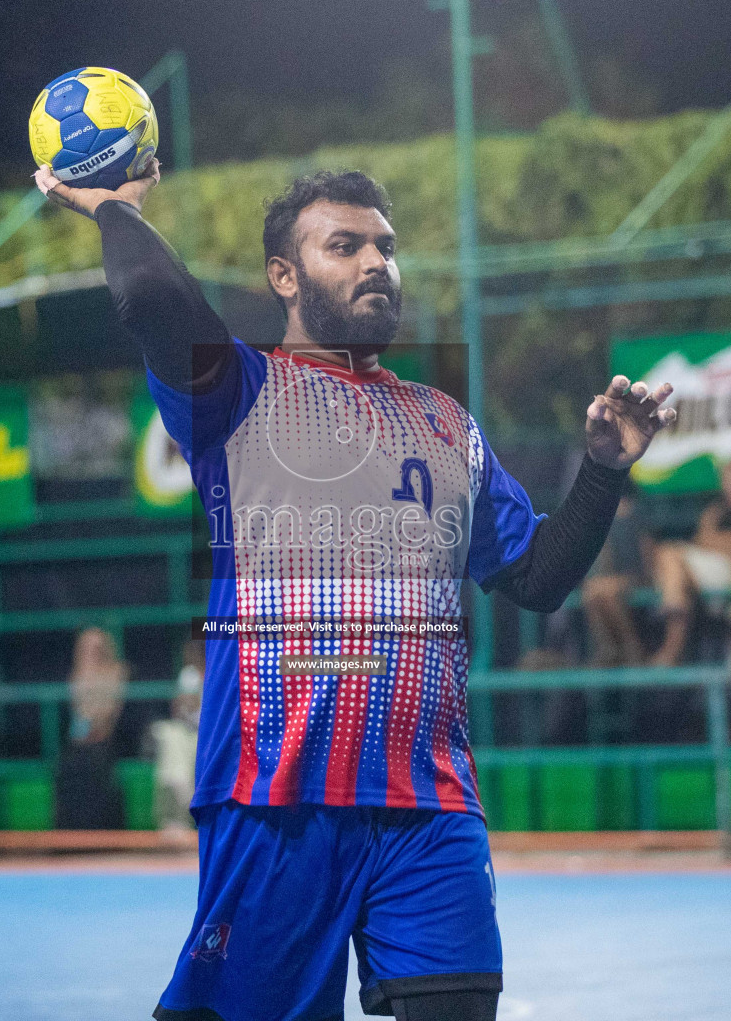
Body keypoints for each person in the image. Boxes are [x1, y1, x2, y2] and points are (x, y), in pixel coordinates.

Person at [37, 162, 675, 1021]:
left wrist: (601, 472)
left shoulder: (448, 424)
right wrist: (114, 207)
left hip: (431, 806)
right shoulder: (239, 394)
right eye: (345, 246)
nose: (377, 262)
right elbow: (152, 297)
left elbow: (540, 577)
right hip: (276, 801)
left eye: (386, 246)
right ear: (284, 276)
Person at [651, 458, 731, 664]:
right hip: (715, 571)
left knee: (673, 560)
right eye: (729, 479)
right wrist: (728, 544)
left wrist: (717, 542)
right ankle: (675, 609)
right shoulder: (714, 511)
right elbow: (700, 540)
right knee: (668, 552)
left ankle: (673, 627)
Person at [55, 627, 129, 830]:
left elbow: (110, 712)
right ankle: (70, 837)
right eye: (86, 648)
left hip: (108, 739)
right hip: (79, 741)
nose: (91, 653)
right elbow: (79, 710)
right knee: (67, 767)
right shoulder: (77, 674)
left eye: (96, 648)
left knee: (95, 764)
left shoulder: (117, 671)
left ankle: (103, 833)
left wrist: (96, 723)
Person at [581, 489, 653, 667]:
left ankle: (632, 645)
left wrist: (646, 576)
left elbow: (647, 553)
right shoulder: (601, 514)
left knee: (607, 590)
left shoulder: (636, 514)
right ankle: (609, 648)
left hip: (637, 576)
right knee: (592, 591)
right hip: (612, 578)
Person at [151, 642, 205, 834]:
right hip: (191, 732)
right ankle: (174, 820)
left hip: (213, 736)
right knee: (170, 736)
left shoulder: (223, 671)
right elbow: (179, 709)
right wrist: (186, 703)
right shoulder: (189, 674)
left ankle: (191, 818)